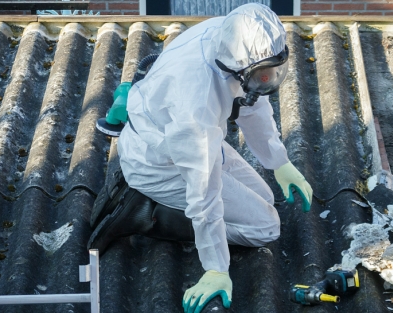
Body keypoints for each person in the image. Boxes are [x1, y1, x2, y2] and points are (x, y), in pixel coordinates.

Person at [87, 4, 314, 313]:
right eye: (262, 74)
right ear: (239, 66)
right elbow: (203, 190)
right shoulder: (195, 100)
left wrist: (280, 163)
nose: (270, 78)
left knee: (264, 197)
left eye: (273, 70)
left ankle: (166, 207)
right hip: (158, 163)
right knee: (266, 227)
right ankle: (145, 210)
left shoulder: (233, 36)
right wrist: (216, 268)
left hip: (184, 138)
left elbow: (251, 100)